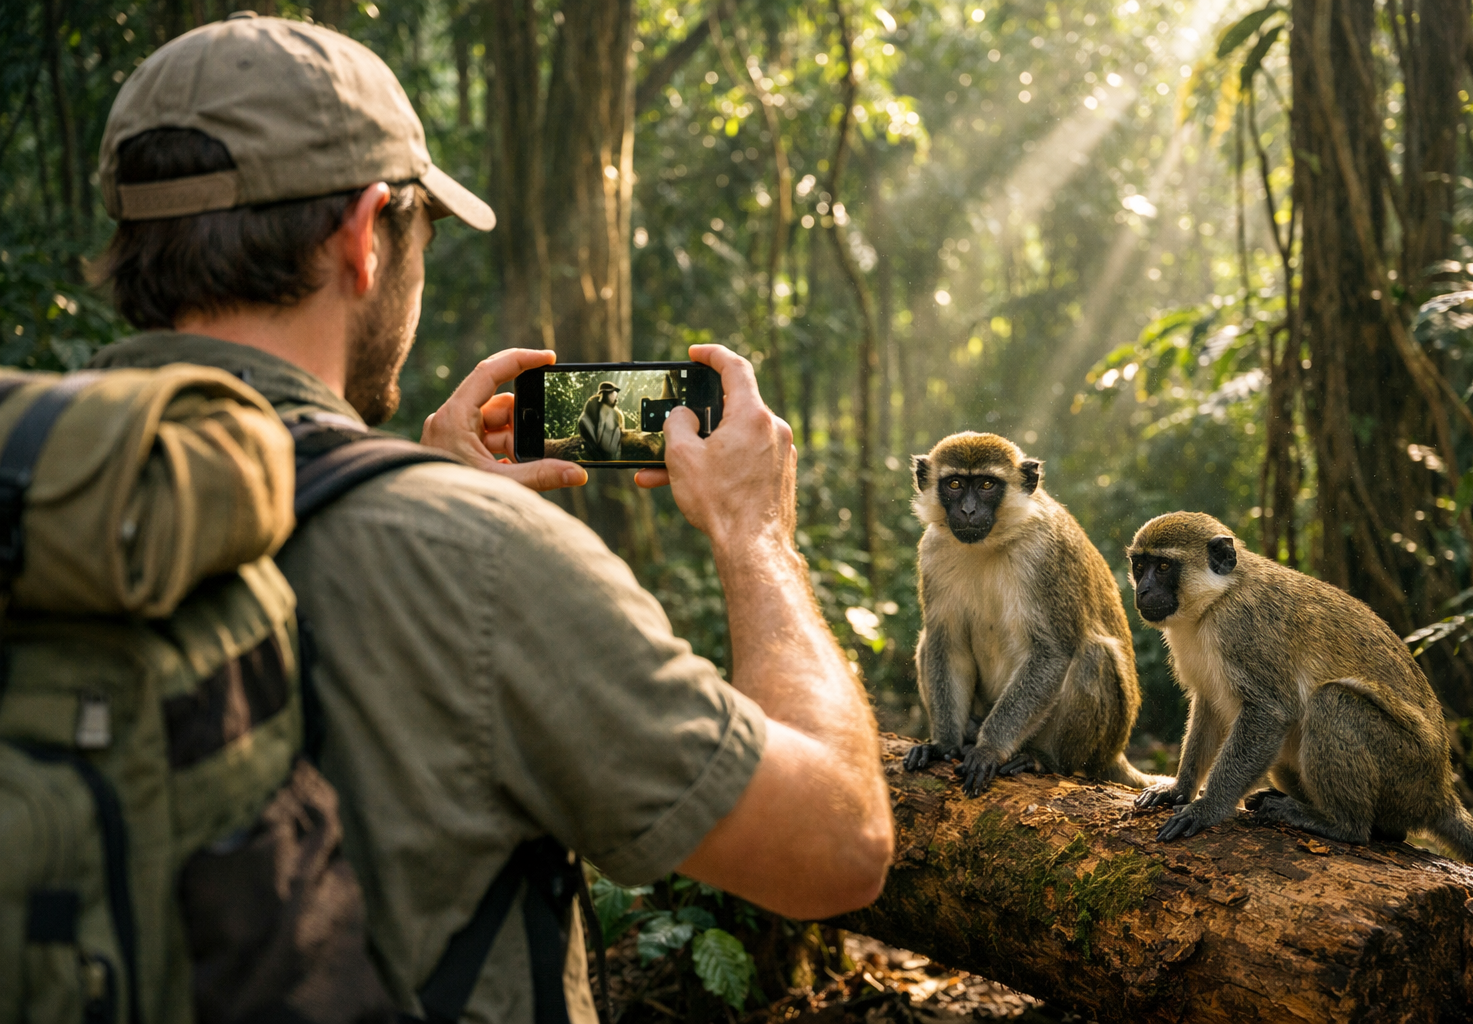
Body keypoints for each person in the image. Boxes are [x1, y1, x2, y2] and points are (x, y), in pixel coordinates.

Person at [88, 13, 893, 1023]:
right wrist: (755, 534)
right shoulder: (478, 564)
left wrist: (409, 499)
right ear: (362, 237)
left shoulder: (33, 481)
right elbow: (837, 844)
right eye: (420, 228)